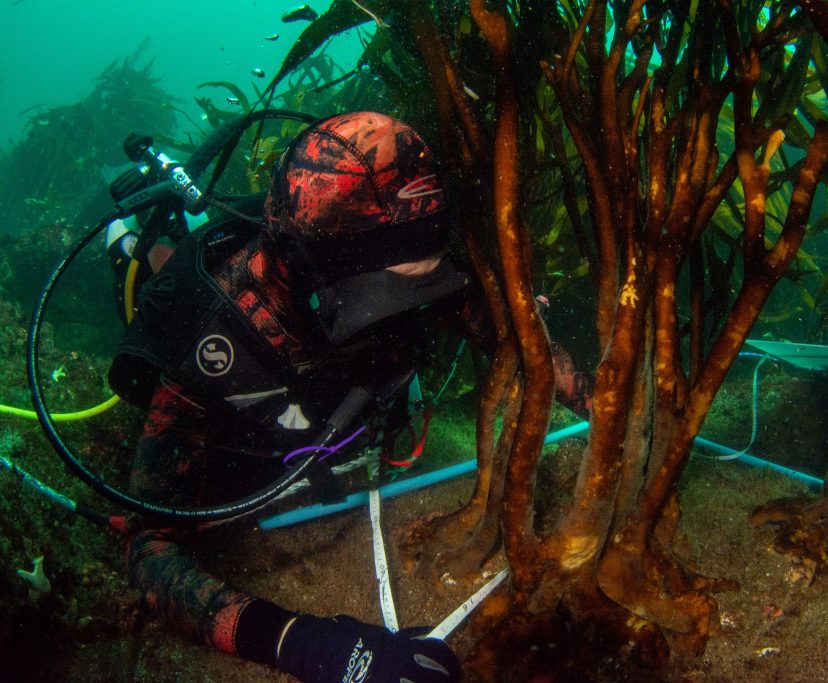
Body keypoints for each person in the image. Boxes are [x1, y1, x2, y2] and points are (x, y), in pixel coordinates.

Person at [109, 112, 592, 682]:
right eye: (395, 289)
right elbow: (148, 547)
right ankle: (129, 240)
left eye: (427, 279)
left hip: (319, 421)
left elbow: (519, 343)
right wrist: (312, 646)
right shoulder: (211, 342)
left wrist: (610, 417)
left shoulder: (396, 250)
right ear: (324, 270)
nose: (420, 302)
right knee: (150, 269)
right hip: (240, 430)